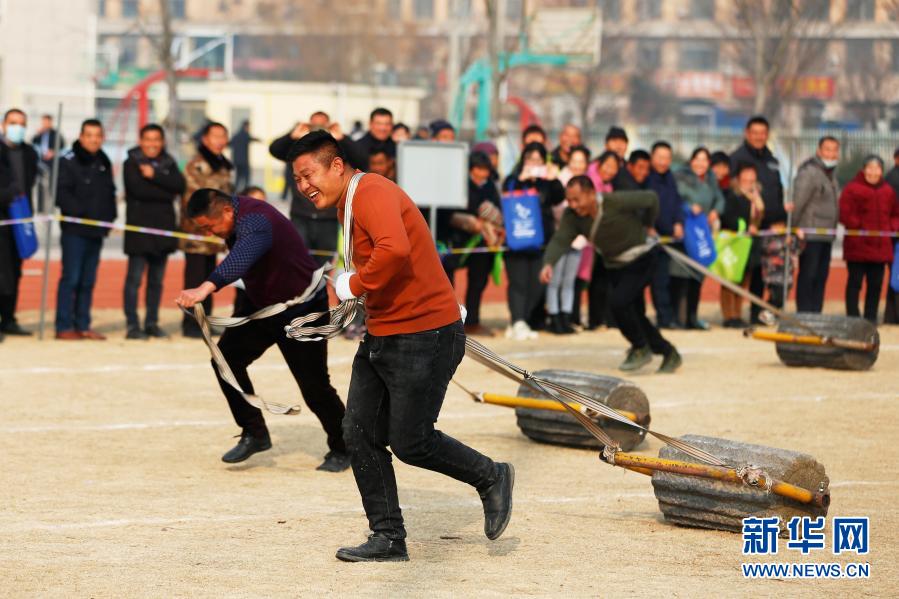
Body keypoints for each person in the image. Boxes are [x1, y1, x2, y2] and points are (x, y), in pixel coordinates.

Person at [288, 130, 513, 562]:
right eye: (297, 180)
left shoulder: (371, 190)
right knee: (358, 432)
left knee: (411, 441)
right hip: (385, 332)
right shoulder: (348, 205)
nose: (303, 186)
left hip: (425, 334)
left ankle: (491, 475)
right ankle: (388, 537)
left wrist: (352, 282)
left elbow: (394, 250)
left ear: (336, 166)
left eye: (308, 174)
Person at [175, 188, 349, 470]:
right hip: (262, 305)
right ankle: (254, 432)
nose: (209, 233)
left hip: (302, 309)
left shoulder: (256, 219)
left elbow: (244, 255)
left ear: (227, 212)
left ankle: (345, 447)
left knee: (315, 386)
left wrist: (206, 288)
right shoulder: (233, 218)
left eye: (210, 226)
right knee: (225, 361)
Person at [540, 175, 681, 373]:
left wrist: (648, 225)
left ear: (591, 194)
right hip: (616, 266)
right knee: (635, 315)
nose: (572, 205)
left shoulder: (614, 201)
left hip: (642, 258)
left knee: (618, 303)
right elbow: (560, 239)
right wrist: (549, 263)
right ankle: (668, 352)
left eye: (576, 199)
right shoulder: (572, 217)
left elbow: (651, 199)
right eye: (569, 200)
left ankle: (640, 347)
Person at [122, 123, 186, 340]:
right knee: (134, 280)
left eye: (156, 140)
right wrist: (164, 190)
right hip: (139, 232)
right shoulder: (130, 163)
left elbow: (179, 186)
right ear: (141, 141)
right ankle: (133, 325)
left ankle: (151, 323)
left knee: (156, 282)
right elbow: (138, 190)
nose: (152, 144)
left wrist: (155, 175)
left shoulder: (168, 162)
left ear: (162, 142)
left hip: (163, 232)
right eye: (147, 139)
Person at [55, 119, 116, 340]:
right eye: (89, 135)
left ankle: (82, 324)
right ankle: (63, 326)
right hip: (75, 230)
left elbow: (109, 193)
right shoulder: (67, 161)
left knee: (88, 280)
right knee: (71, 278)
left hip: (96, 232)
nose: (93, 139)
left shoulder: (103, 160)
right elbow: (61, 194)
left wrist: (109, 218)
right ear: (81, 137)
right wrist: (84, 215)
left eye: (97, 135)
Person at [502, 142, 565, 340]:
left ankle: (521, 322)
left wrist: (553, 179)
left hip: (541, 241)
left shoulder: (547, 182)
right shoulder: (513, 179)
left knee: (538, 284)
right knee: (518, 282)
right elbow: (506, 194)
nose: (534, 163)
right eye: (531, 159)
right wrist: (521, 181)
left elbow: (558, 198)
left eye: (539, 160)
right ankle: (518, 320)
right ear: (524, 160)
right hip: (517, 238)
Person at [730, 116, 788, 323]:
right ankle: (733, 314)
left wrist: (781, 218)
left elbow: (778, 192)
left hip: (771, 227)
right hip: (749, 226)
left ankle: (757, 313)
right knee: (744, 271)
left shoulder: (772, 160)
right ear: (747, 133)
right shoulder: (737, 158)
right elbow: (732, 191)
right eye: (754, 133)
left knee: (764, 274)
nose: (758, 137)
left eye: (762, 133)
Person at [180, 121, 233, 338]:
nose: (220, 141)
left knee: (210, 279)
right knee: (195, 280)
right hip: (197, 234)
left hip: (215, 234)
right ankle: (191, 325)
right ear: (205, 139)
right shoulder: (197, 165)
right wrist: (208, 224)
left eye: (223, 136)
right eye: (215, 136)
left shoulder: (222, 165)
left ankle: (205, 322)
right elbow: (191, 201)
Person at [443, 151, 504, 337]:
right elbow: (450, 212)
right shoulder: (458, 184)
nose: (482, 173)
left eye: (486, 169)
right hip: (456, 241)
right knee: (447, 281)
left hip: (481, 243)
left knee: (478, 281)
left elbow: (497, 210)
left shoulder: (491, 187)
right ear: (470, 169)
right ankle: (447, 322)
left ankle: (473, 322)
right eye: (479, 169)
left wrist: (490, 220)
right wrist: (472, 221)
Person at [270, 113, 342, 265]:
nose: (317, 130)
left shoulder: (336, 148)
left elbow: (359, 158)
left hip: (328, 217)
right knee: (298, 262)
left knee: (325, 265)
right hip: (301, 216)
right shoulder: (298, 148)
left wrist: (343, 139)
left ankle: (321, 289)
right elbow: (275, 149)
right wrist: (292, 136)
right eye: (314, 126)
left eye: (322, 126)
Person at [839, 156, 899, 324]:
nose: (873, 172)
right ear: (864, 169)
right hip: (857, 246)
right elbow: (844, 213)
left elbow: (895, 213)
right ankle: (852, 316)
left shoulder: (888, 191)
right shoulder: (852, 189)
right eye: (870, 168)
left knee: (875, 285)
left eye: (877, 169)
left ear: (882, 171)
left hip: (880, 248)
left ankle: (870, 318)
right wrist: (858, 226)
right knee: (855, 283)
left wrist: (892, 227)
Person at [673, 147, 724, 330]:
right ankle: (679, 318)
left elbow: (719, 199)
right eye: (697, 159)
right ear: (691, 160)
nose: (701, 164)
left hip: (702, 232)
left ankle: (693, 317)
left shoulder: (711, 179)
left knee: (697, 276)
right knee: (681, 276)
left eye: (705, 160)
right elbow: (675, 199)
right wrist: (688, 208)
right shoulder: (680, 176)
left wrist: (715, 211)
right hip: (685, 230)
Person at [0, 108, 39, 338]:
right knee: (1, 274)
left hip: (21, 219)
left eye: (22, 123)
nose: (18, 127)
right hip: (2, 220)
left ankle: (9, 318)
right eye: (13, 123)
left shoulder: (29, 153)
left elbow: (29, 186)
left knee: (15, 272)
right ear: (4, 125)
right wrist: (8, 195)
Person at [792, 136, 840, 314]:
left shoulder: (831, 174)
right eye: (827, 149)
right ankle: (805, 313)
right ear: (819, 151)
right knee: (808, 275)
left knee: (821, 277)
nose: (831, 153)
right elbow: (799, 202)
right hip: (810, 234)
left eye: (834, 150)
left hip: (826, 235)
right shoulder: (809, 172)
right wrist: (794, 228)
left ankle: (816, 312)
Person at [719, 164, 765, 327]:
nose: (748, 183)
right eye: (745, 179)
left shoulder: (757, 197)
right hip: (734, 245)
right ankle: (729, 316)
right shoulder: (732, 196)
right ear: (738, 180)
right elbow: (728, 218)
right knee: (730, 280)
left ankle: (737, 314)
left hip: (749, 246)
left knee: (743, 281)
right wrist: (745, 226)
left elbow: (760, 219)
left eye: (752, 180)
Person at [647, 141, 685, 329]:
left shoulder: (670, 178)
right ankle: (663, 317)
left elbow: (676, 202)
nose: (663, 161)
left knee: (667, 280)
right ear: (652, 157)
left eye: (667, 158)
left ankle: (669, 317)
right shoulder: (647, 178)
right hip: (652, 239)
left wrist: (678, 222)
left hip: (670, 238)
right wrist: (650, 226)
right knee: (656, 281)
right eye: (659, 157)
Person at [884, 148, 899, 324]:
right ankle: (893, 316)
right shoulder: (894, 178)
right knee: (896, 277)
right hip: (896, 234)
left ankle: (891, 316)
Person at [228, 120, 259, 191]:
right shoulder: (245, 135)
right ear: (246, 126)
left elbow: (229, 144)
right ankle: (246, 191)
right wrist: (259, 140)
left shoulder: (236, 135)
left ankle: (234, 191)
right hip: (244, 161)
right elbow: (252, 139)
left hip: (236, 161)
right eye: (248, 127)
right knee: (246, 178)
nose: (249, 128)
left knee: (238, 178)